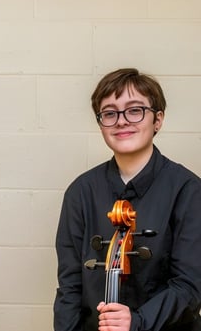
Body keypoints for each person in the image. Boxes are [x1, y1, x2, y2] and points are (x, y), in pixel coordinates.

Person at [54, 68, 201, 330]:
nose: (121, 121)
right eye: (109, 113)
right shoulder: (80, 192)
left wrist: (138, 322)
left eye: (135, 110)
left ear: (158, 120)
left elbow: (189, 285)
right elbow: (70, 287)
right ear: (101, 124)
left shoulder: (188, 190)